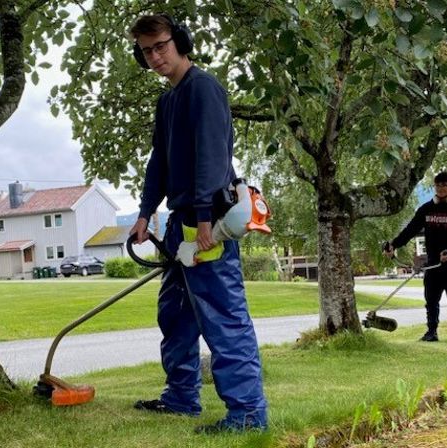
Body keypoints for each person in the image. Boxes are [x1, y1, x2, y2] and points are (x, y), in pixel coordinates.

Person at [127, 14, 268, 433]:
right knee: (176, 315)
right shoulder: (167, 100)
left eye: (161, 46)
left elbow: (211, 157)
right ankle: (182, 397)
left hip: (208, 224)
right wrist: (144, 211)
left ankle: (247, 415)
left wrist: (205, 219)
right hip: (179, 224)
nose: (155, 56)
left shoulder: (203, 89)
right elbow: (160, 163)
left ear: (180, 42)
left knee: (223, 318)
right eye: (146, 51)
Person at [383, 172, 447, 343]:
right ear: (434, 187)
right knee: (431, 300)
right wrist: (394, 244)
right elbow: (411, 229)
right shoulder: (426, 209)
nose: (441, 188)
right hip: (432, 265)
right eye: (438, 185)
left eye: (445, 185)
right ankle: (431, 332)